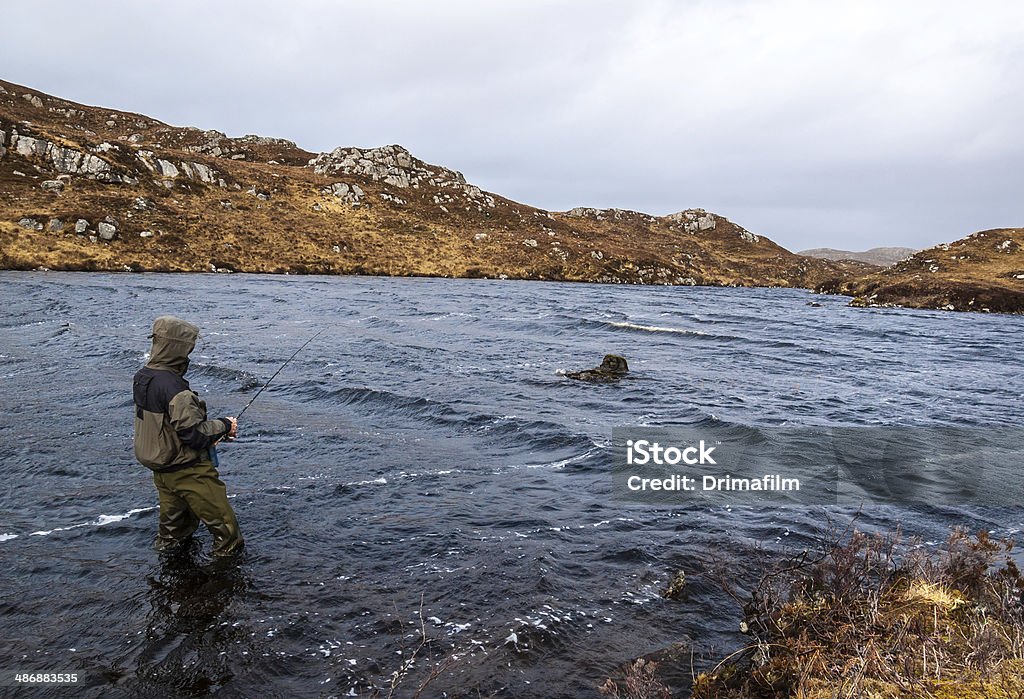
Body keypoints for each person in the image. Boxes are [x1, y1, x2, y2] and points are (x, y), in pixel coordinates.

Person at [132, 315, 244, 557]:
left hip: (162, 470)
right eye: (188, 347)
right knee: (229, 537)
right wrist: (225, 425)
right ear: (178, 348)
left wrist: (210, 432)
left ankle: (170, 582)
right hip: (188, 470)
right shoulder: (176, 390)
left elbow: (166, 425)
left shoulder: (143, 376)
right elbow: (193, 436)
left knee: (173, 535)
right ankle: (221, 588)